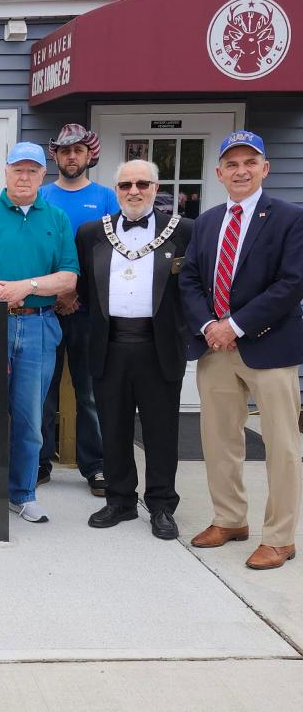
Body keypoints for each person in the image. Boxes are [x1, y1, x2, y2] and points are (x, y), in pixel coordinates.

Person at [179, 131, 303, 570]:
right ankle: (230, 519)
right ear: (219, 172)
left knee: (282, 445)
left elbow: (291, 283)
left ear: (265, 169)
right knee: (219, 441)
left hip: (270, 346)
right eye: (232, 164)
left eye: (250, 162)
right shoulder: (208, 220)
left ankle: (280, 537)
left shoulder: (290, 218)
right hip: (215, 349)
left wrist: (236, 325)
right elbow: (190, 279)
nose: (241, 170)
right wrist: (210, 326)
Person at [0, 142, 78, 524]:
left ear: (43, 175)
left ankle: (22, 493)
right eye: (18, 169)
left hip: (39, 325)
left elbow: (68, 277)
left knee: (29, 418)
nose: (24, 177)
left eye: (32, 170)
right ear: (5, 173)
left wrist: (28, 286)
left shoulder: (56, 218)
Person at [77, 160, 192, 539]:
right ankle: (120, 500)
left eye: (143, 183)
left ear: (156, 188)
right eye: (125, 184)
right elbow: (83, 291)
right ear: (116, 190)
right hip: (109, 344)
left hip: (157, 346)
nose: (134, 191)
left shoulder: (185, 232)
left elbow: (194, 288)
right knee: (113, 427)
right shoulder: (92, 233)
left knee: (161, 430)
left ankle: (161, 505)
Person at [38, 124, 117, 496]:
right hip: (43, 307)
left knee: (88, 391)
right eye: (65, 150)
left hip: (89, 310)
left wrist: (75, 293)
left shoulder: (106, 198)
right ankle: (37, 462)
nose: (72, 157)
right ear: (54, 155)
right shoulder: (39, 196)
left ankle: (96, 466)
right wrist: (56, 294)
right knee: (41, 390)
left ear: (90, 155)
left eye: (79, 150)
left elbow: (111, 256)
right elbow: (32, 251)